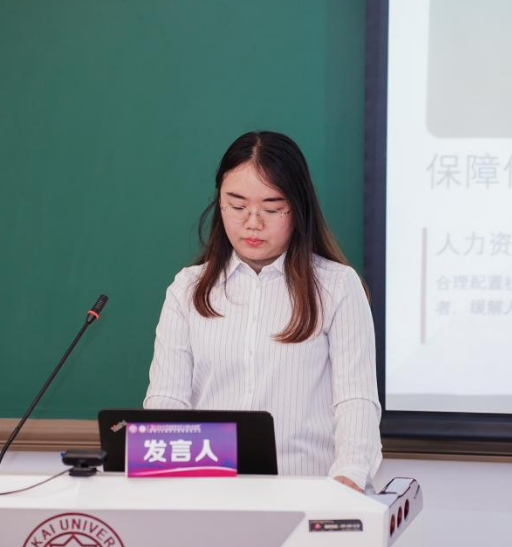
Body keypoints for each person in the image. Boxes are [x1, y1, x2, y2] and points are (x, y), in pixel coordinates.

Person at [144, 131, 382, 491]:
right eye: (237, 206)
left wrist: (347, 479)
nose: (253, 222)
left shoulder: (337, 287)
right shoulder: (188, 289)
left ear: (298, 208)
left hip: (312, 495)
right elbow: (167, 399)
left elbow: (356, 400)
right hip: (209, 494)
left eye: (272, 209)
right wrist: (158, 472)